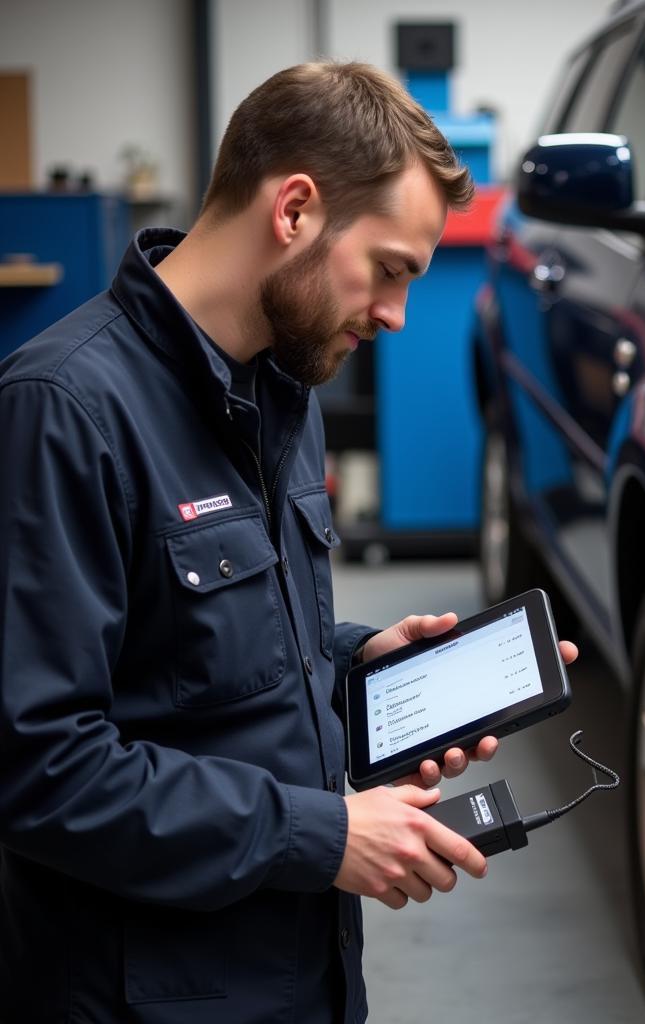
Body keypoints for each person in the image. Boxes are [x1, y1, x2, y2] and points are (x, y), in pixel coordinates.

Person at [0, 61, 577, 1023]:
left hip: (304, 976)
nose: (395, 314)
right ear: (296, 209)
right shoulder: (63, 411)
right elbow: (39, 767)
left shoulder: (284, 393)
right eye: (389, 269)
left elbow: (194, 665)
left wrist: (356, 668)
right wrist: (322, 835)